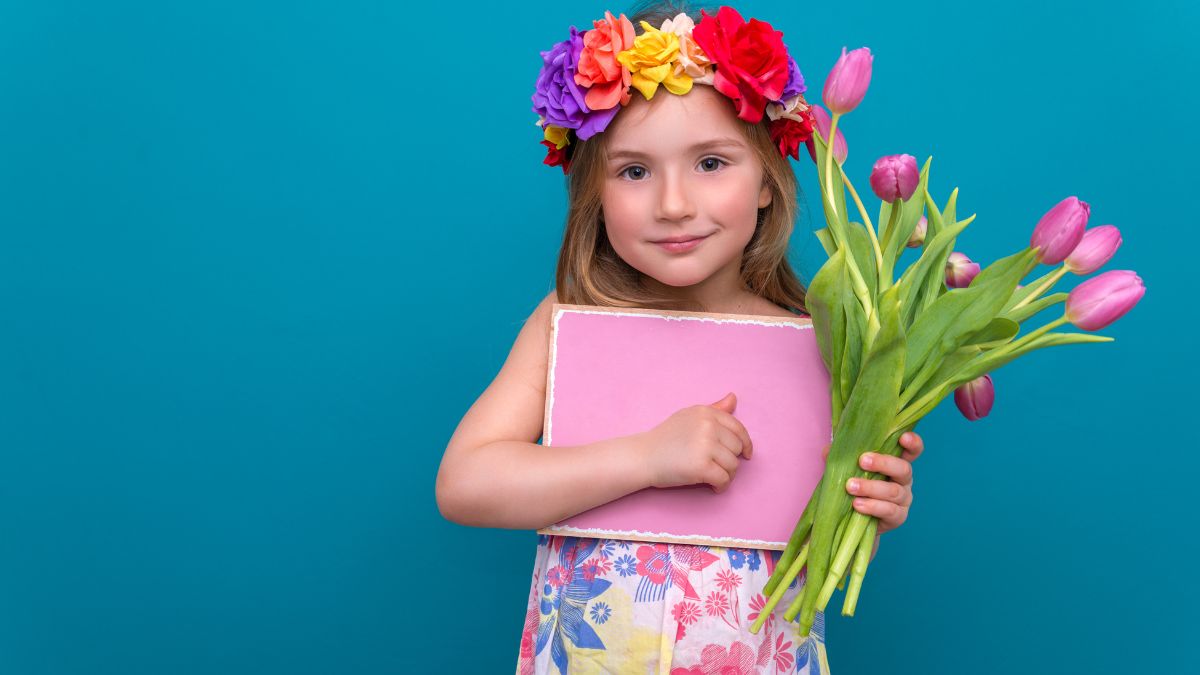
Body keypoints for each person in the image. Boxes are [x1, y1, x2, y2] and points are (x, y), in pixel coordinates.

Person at [436, 3, 926, 672]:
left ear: (765, 182)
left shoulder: (818, 340)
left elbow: (823, 520)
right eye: (634, 171)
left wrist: (873, 498)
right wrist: (648, 457)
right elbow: (466, 481)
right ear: (594, 192)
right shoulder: (570, 317)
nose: (672, 203)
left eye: (711, 163)